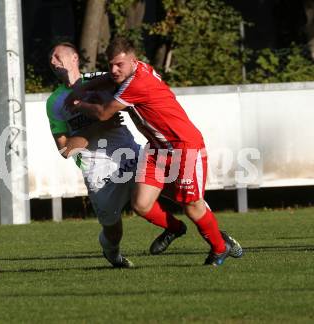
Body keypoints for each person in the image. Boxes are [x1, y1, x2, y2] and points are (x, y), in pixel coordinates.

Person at [66, 37, 243, 266]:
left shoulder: (137, 83)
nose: (114, 69)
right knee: (141, 204)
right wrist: (82, 88)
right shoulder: (131, 72)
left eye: (119, 64)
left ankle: (221, 246)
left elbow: (102, 113)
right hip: (157, 149)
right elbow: (106, 79)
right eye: (110, 64)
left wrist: (78, 103)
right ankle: (175, 229)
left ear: (134, 61)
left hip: (184, 147)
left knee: (192, 205)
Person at [46, 42, 140, 268]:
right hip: (96, 169)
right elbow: (65, 150)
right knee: (113, 229)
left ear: (74, 58)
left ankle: (215, 235)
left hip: (128, 152)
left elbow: (134, 82)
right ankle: (111, 251)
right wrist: (100, 126)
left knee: (171, 191)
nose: (52, 62)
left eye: (57, 56)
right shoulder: (54, 102)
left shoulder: (101, 80)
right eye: (51, 59)